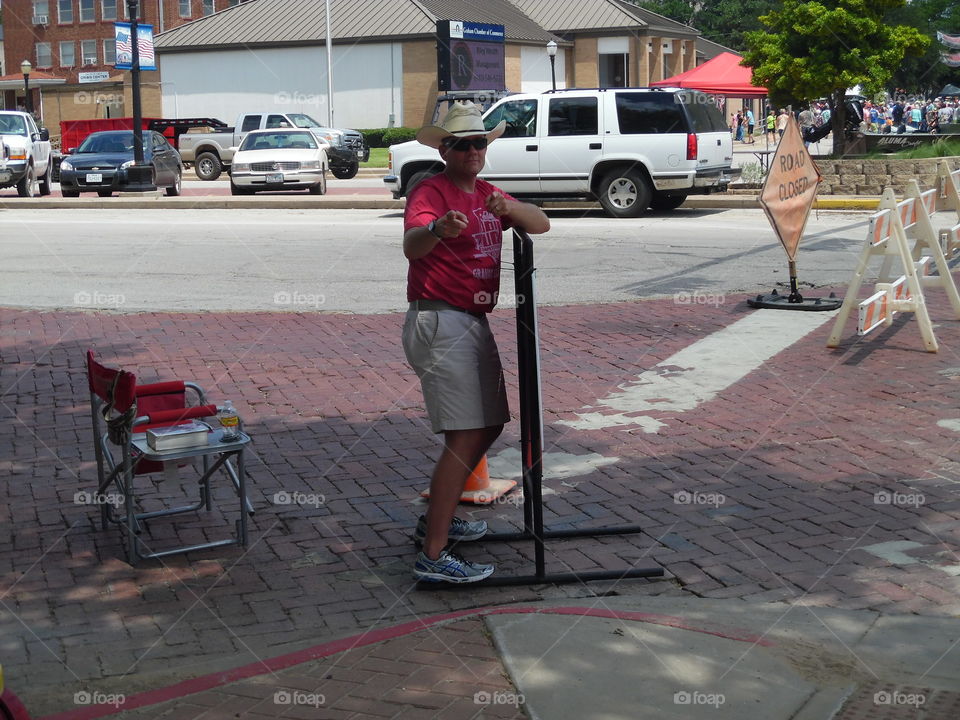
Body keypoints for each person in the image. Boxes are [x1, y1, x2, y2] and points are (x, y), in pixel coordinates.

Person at [401, 102, 550, 584]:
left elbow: (541, 222)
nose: (471, 151)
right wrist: (436, 230)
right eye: (460, 144)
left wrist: (509, 208)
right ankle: (434, 553)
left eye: (478, 142)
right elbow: (412, 243)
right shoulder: (431, 190)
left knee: (487, 428)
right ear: (444, 150)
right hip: (441, 320)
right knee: (465, 436)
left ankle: (437, 523)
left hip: (471, 320)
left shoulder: (487, 193)